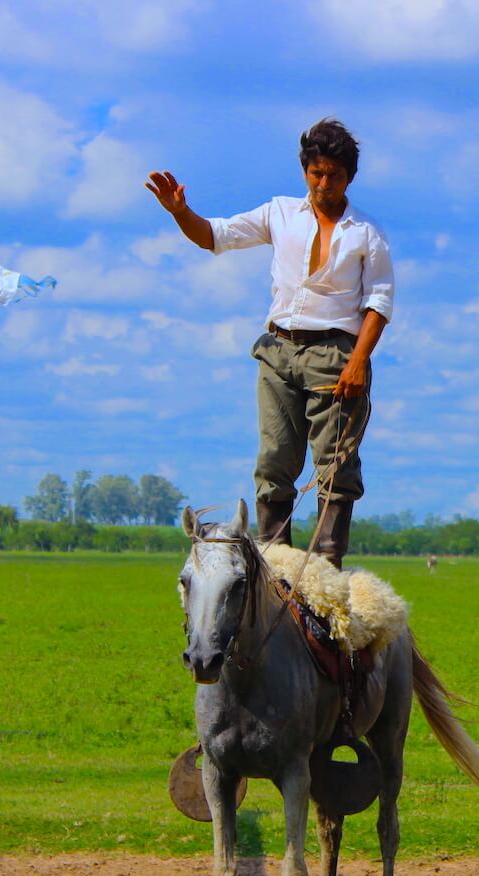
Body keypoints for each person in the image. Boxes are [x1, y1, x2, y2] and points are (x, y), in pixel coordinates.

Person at [146, 118, 394, 569]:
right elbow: (215, 236)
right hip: (278, 350)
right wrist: (180, 211)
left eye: (334, 176)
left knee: (335, 465)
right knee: (274, 459)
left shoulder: (366, 233)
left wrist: (358, 362)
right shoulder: (278, 213)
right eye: (317, 173)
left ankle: (325, 567)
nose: (324, 184)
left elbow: (378, 301)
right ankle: (276, 563)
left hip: (336, 355)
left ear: (349, 177)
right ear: (305, 172)